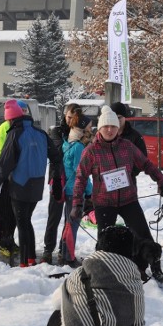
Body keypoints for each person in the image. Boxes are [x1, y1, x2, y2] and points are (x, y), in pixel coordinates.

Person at [70, 105, 163, 282]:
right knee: (104, 243)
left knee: (144, 237)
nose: (109, 130)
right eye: (106, 127)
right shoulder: (91, 151)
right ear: (100, 128)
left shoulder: (127, 147)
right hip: (104, 202)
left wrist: (161, 181)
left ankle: (153, 269)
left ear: (118, 128)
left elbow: (146, 164)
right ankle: (103, 274)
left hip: (128, 199)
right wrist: (77, 204)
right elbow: (80, 178)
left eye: (113, 126)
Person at [0, 100, 62, 267]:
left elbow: (5, 163)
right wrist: (57, 178)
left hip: (20, 184)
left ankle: (24, 262)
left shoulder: (15, 134)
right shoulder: (41, 133)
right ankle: (30, 258)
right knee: (26, 220)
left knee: (22, 223)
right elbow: (56, 157)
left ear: (10, 119)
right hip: (37, 184)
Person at [40, 103, 82, 264]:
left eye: (74, 117)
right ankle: (47, 250)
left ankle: (63, 250)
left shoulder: (79, 133)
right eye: (68, 116)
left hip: (72, 181)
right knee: (54, 216)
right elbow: (57, 153)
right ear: (64, 115)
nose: (70, 120)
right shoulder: (57, 131)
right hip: (58, 178)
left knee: (69, 219)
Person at [61, 104, 93, 266]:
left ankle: (65, 253)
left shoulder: (68, 143)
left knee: (68, 222)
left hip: (68, 190)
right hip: (76, 192)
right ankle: (69, 257)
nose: (91, 129)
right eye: (89, 126)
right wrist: (90, 191)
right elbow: (82, 173)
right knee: (73, 225)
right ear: (82, 128)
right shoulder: (79, 147)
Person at [0, 99, 21, 257]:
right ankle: (4, 242)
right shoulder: (8, 128)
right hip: (7, 171)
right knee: (7, 212)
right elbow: (5, 153)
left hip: (6, 170)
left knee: (10, 212)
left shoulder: (8, 127)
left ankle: (8, 241)